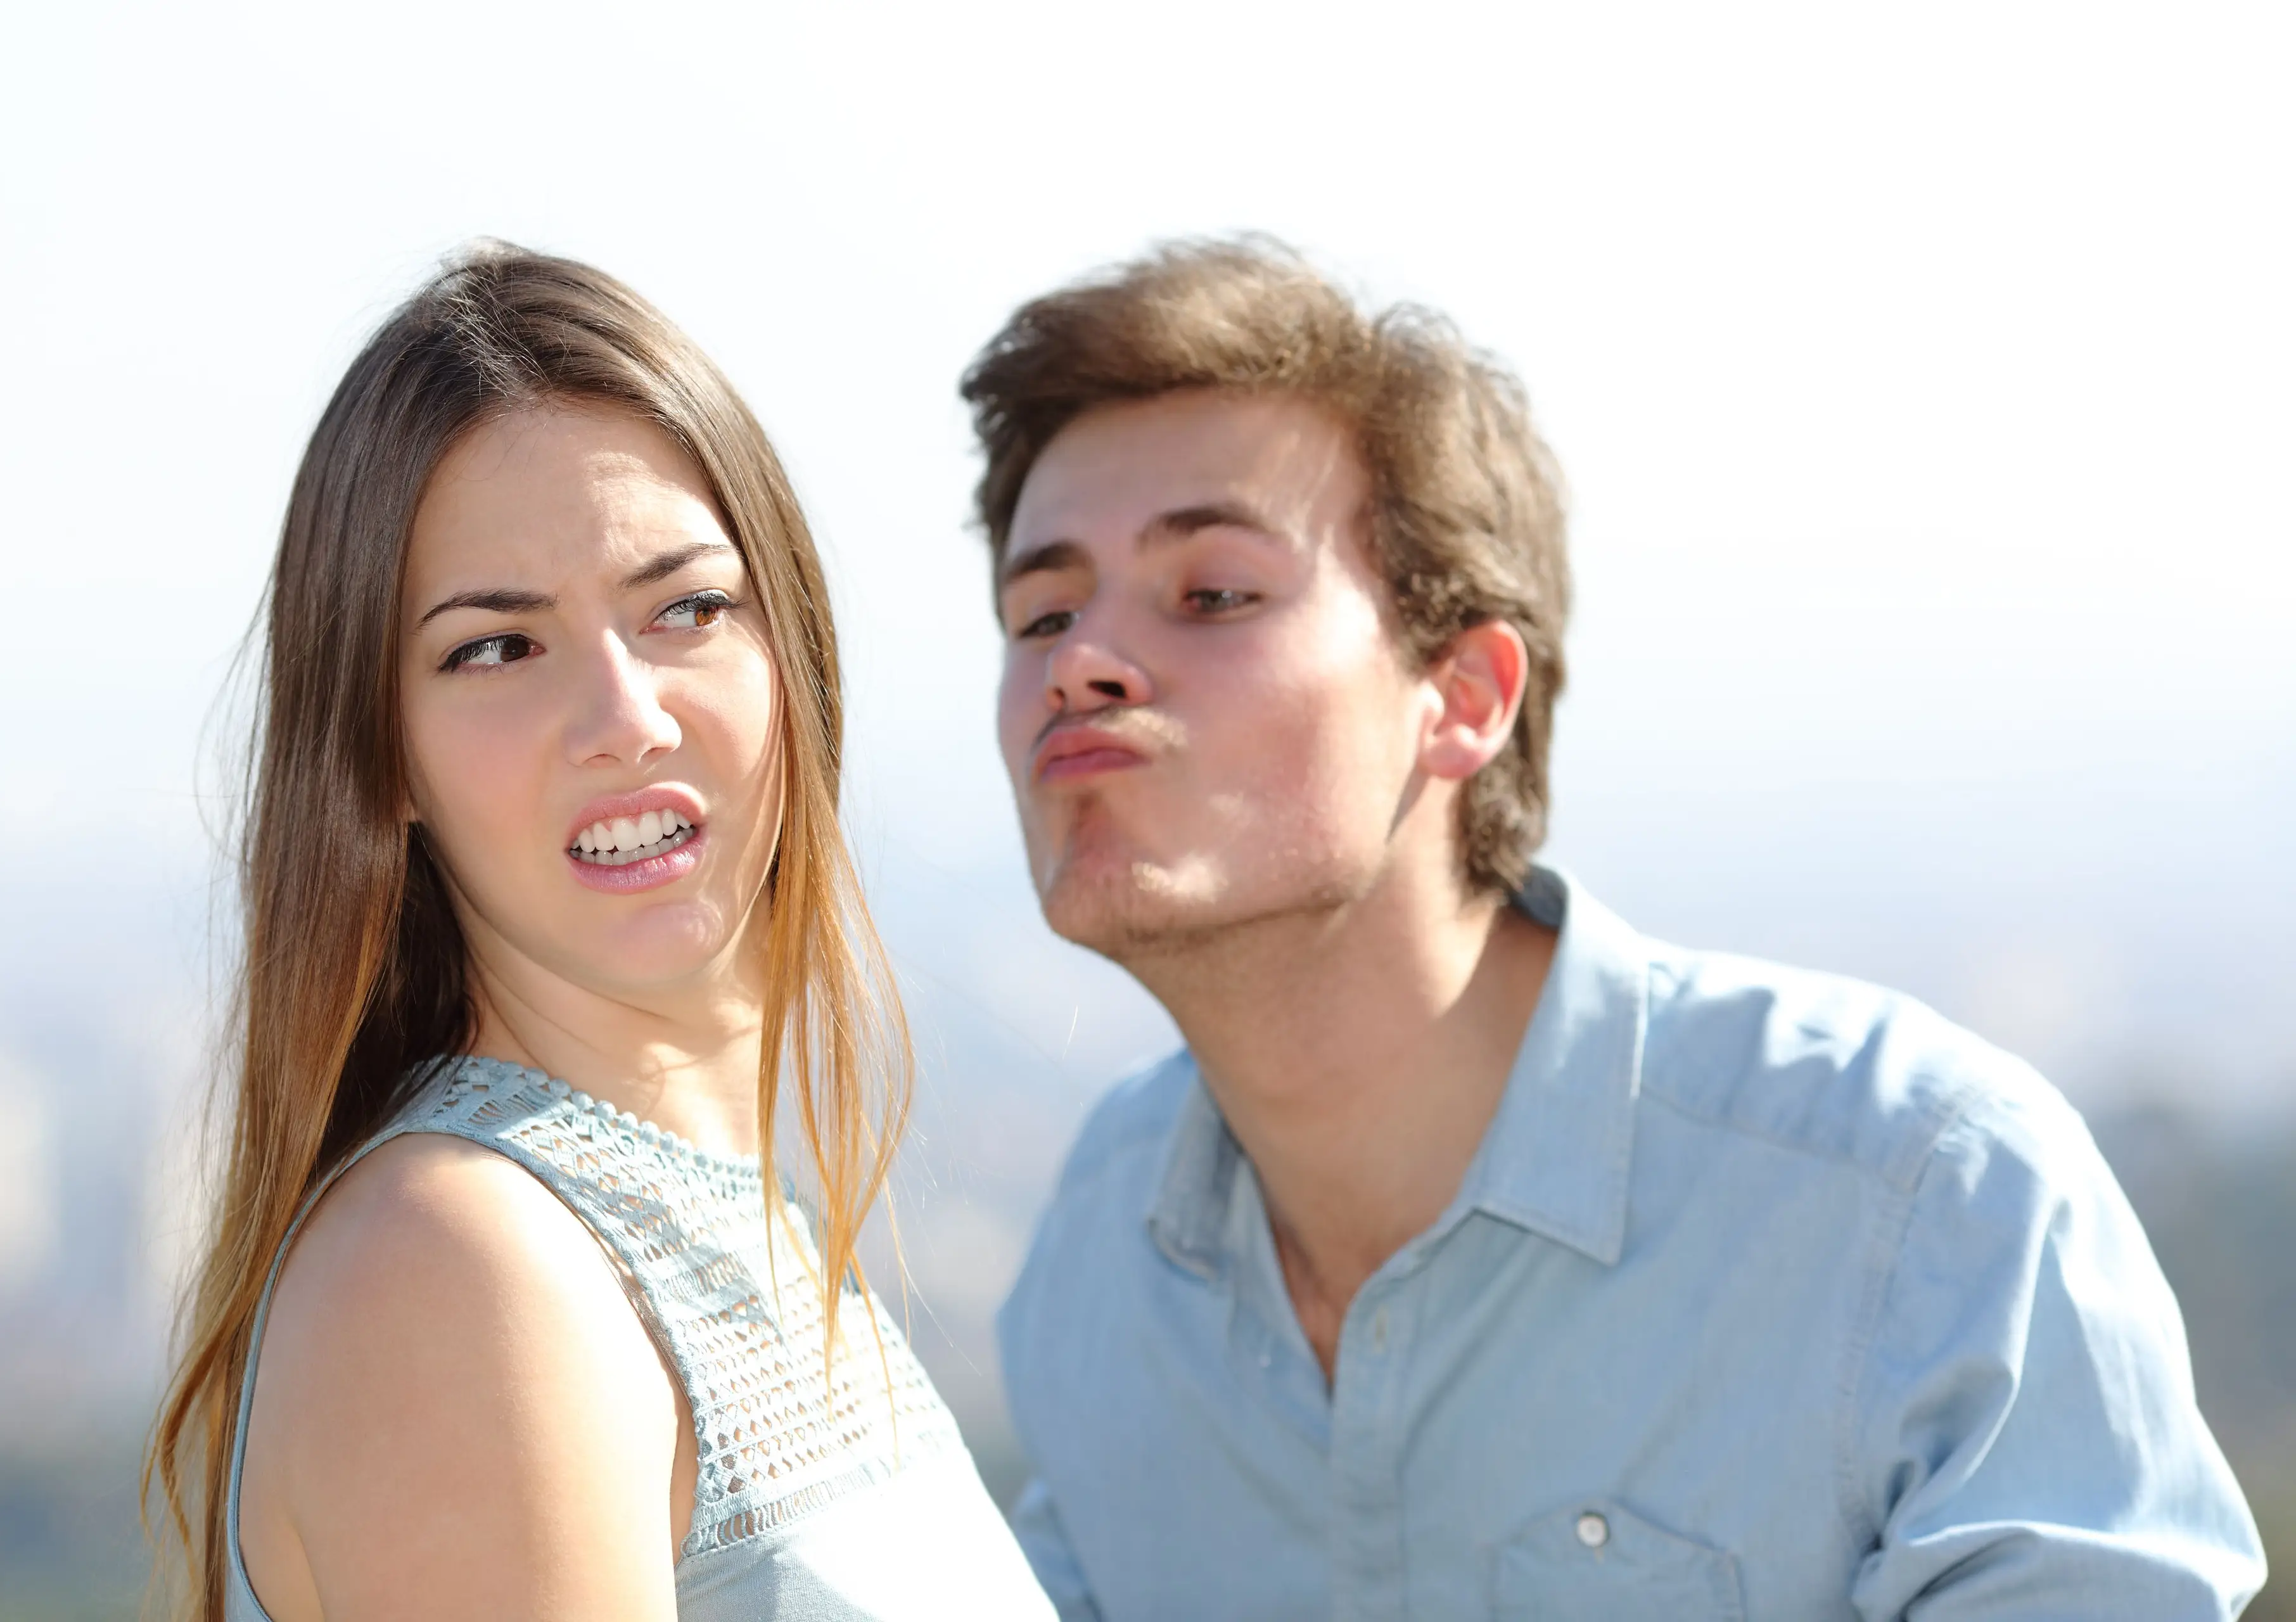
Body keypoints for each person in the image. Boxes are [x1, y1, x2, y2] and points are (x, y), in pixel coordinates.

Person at [964, 238, 2267, 1619]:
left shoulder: (1926, 1205)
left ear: (1465, 693)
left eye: (1214, 591)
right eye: (1042, 610)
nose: (1078, 664)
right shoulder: (1101, 1255)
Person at [145, 245, 1052, 1621]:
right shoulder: (463, 1266)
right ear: (380, 756)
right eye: (498, 647)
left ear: (791, 652)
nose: (627, 715)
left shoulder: (743, 1216)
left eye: (686, 606)